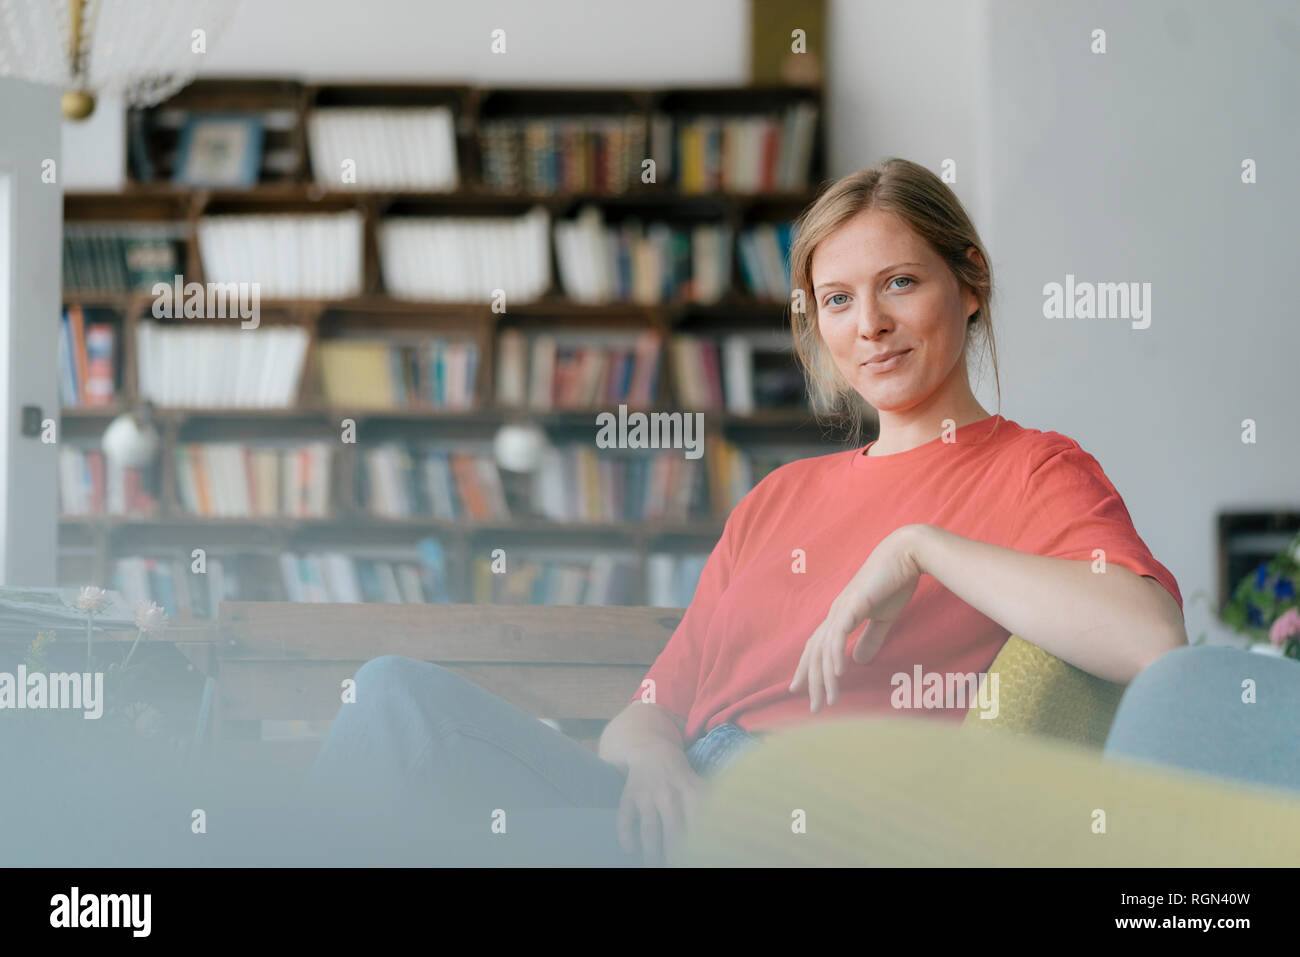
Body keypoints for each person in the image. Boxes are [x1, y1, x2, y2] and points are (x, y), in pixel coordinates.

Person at [304, 157, 1186, 866]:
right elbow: (655, 706)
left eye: (901, 283)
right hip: (672, 802)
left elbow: (1150, 638)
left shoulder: (1031, 468)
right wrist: (652, 755)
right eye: (838, 299)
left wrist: (919, 546)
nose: (870, 324)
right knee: (394, 697)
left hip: (802, 824)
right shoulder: (777, 500)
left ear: (971, 283)